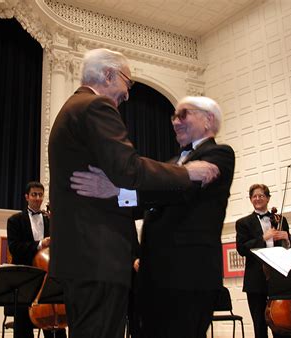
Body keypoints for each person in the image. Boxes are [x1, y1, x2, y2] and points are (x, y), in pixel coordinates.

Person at [48, 48, 219, 338]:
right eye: (128, 82)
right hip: (99, 256)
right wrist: (187, 172)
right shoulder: (96, 106)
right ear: (108, 74)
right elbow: (129, 169)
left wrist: (117, 189)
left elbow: (118, 182)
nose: (128, 94)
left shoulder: (71, 109)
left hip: (82, 259)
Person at [70, 95, 235, 337]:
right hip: (152, 276)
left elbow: (179, 191)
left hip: (189, 275)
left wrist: (119, 189)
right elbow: (151, 194)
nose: (175, 122)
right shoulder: (170, 165)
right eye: (173, 116)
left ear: (209, 119)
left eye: (183, 114)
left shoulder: (220, 155)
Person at [7, 181, 67, 338]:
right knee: (23, 325)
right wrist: (40, 244)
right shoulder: (15, 220)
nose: (38, 198)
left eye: (40, 195)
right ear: (26, 197)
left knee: (54, 322)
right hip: (26, 278)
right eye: (34, 194)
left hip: (47, 278)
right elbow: (14, 248)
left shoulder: (49, 220)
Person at [235, 184, 291, 338]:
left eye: (261, 195)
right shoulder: (243, 223)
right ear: (250, 199)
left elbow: (289, 249)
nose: (257, 198)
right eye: (254, 196)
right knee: (259, 324)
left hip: (279, 276)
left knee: (282, 323)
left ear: (268, 198)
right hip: (256, 278)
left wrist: (287, 239)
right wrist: (263, 238)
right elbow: (241, 249)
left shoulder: (280, 219)